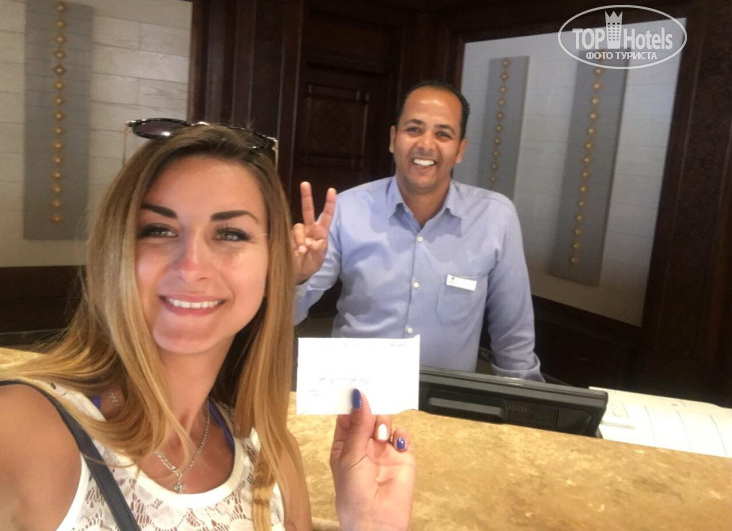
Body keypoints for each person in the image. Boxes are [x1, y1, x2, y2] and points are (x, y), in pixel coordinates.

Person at [0, 121, 415, 530]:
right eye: (159, 230)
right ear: (116, 251)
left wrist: (368, 524)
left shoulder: (272, 457)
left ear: (273, 266)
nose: (191, 267)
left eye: (230, 234)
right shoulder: (21, 431)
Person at [292, 80, 543, 381]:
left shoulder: (495, 217)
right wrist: (296, 277)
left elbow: (513, 337)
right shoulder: (347, 209)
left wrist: (524, 404)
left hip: (444, 399)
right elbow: (288, 315)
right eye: (414, 129)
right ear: (393, 139)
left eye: (443, 134)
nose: (426, 144)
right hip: (353, 390)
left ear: (460, 149)